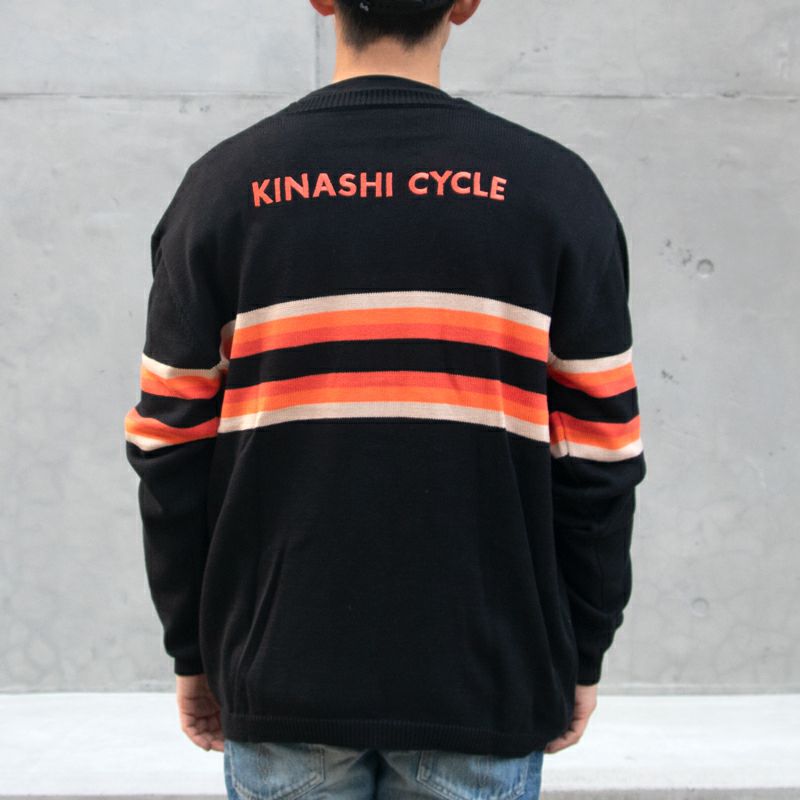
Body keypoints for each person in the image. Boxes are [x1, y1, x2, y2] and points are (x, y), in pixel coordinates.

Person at [123, 0, 647, 797]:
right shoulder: (554, 191)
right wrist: (580, 652)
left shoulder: (222, 191)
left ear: (321, 0)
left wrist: (193, 650)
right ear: (465, 4)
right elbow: (602, 458)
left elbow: (169, 450)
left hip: (280, 674)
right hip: (487, 677)